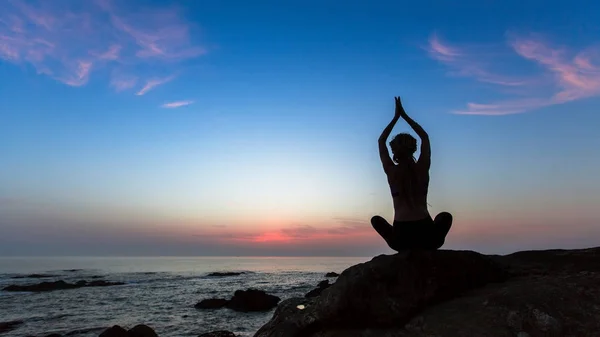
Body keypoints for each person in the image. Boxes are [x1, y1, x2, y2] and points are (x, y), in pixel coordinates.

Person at [371, 96, 452, 251]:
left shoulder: (391, 170)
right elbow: (424, 137)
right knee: (445, 216)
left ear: (393, 150)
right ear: (414, 149)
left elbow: (381, 141)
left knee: (376, 220)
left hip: (402, 238)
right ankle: (428, 247)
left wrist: (395, 118)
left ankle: (407, 250)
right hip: (427, 235)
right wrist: (405, 116)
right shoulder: (422, 167)